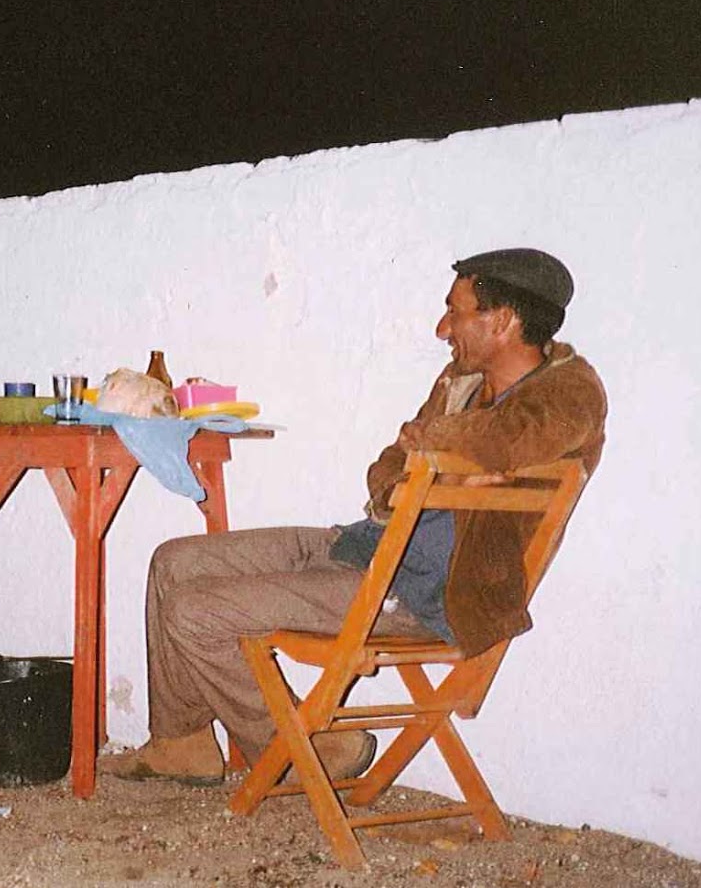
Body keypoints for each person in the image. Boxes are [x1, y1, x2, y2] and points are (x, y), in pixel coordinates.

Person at [103, 248, 607, 785]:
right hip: (367, 546)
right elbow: (387, 465)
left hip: (423, 591)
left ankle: (300, 750)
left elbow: (500, 438)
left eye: (454, 312)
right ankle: (181, 744)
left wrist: (432, 448)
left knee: (193, 611)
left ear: (502, 320)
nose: (442, 329)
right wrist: (433, 474)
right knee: (174, 561)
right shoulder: (459, 382)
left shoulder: (570, 392)